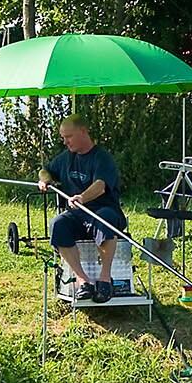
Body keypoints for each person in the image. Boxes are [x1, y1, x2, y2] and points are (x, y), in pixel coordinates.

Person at [39, 115, 128, 303]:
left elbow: (100, 185)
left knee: (106, 220)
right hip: (76, 215)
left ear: (83, 132)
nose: (65, 142)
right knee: (58, 224)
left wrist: (82, 197)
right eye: (63, 137)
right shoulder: (66, 158)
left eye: (68, 137)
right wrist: (45, 179)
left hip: (103, 211)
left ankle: (105, 279)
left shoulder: (102, 158)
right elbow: (45, 170)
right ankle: (83, 280)